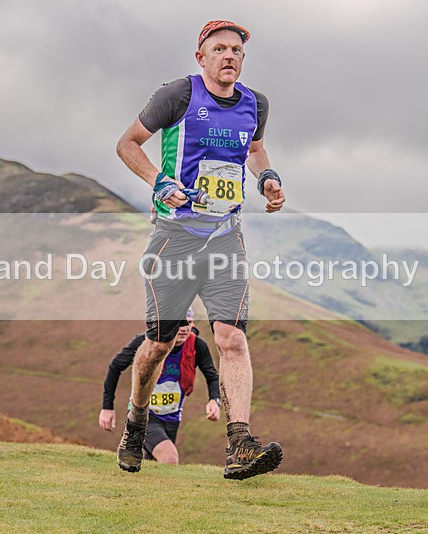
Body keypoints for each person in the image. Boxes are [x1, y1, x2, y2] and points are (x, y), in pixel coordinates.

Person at [115, 20, 286, 479]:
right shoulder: (177, 96)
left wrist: (268, 178)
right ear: (201, 57)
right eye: (219, 49)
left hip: (224, 236)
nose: (229, 56)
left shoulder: (256, 104)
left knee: (231, 338)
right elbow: (127, 144)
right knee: (159, 343)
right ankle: (136, 424)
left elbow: (255, 150)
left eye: (236, 50)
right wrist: (160, 181)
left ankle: (239, 443)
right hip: (175, 236)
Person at [99, 309, 221, 464]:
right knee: (170, 458)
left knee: (153, 464)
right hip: (144, 413)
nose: (184, 328)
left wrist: (214, 400)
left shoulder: (197, 345)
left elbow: (212, 377)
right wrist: (107, 407)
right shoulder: (147, 342)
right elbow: (115, 366)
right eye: (179, 323)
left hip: (172, 416)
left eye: (188, 323)